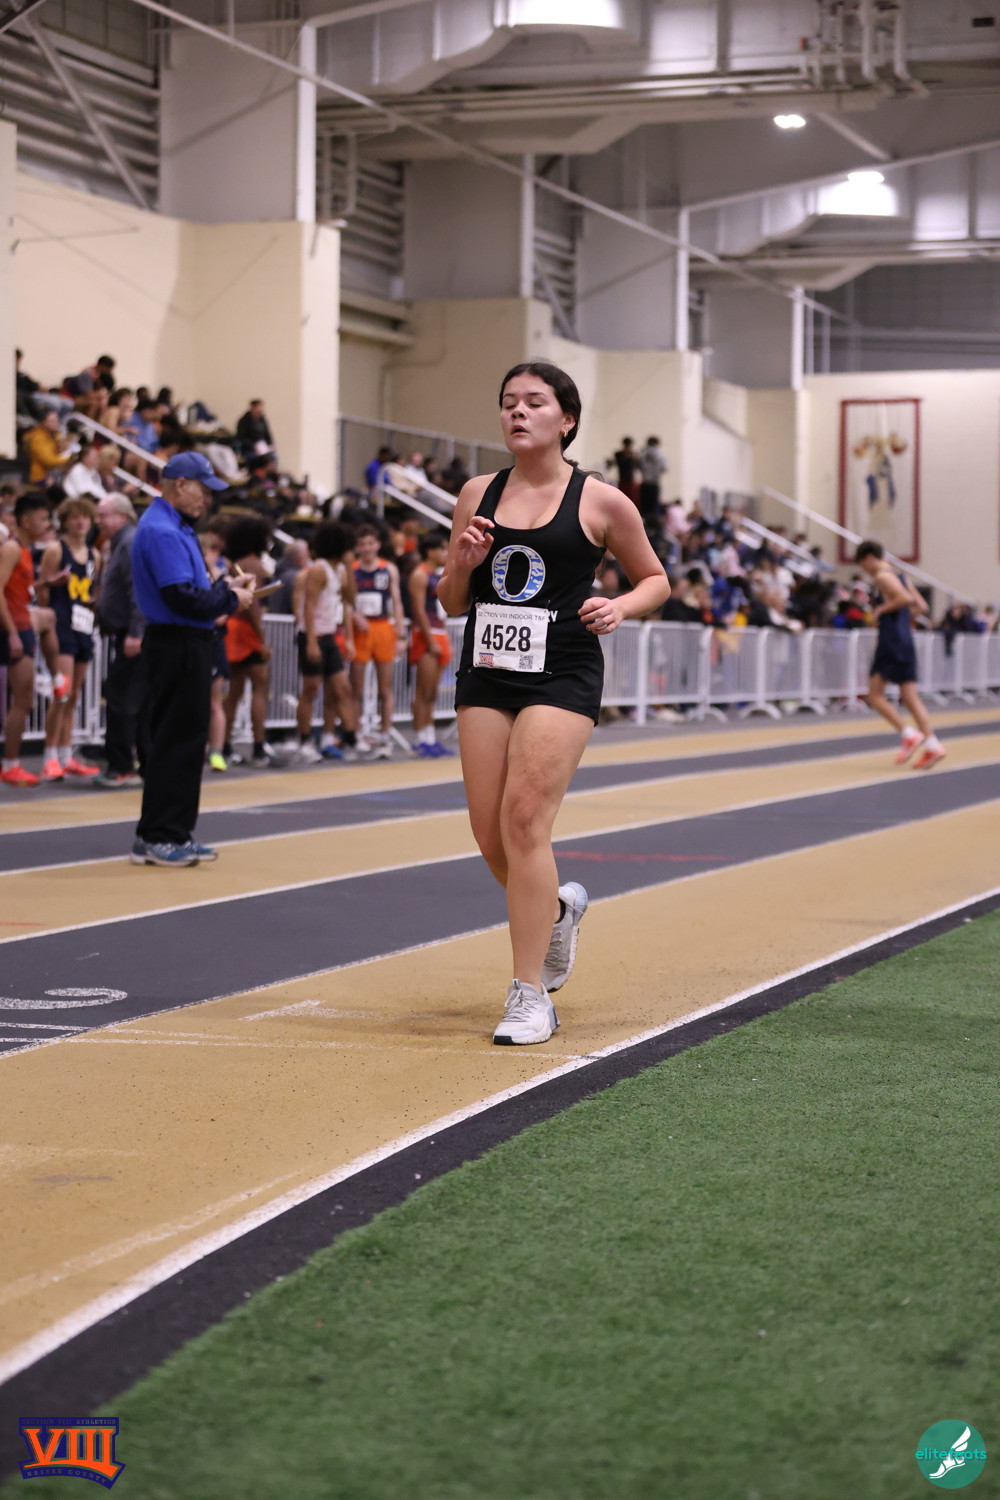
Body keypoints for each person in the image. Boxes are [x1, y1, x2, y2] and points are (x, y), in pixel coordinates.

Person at [438, 361, 670, 1045]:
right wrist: (463, 563)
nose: (518, 411)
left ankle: (530, 994)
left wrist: (620, 605)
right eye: (508, 401)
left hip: (561, 671)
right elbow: (451, 601)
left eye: (534, 402)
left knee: (524, 820)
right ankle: (559, 915)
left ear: (566, 420)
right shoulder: (477, 493)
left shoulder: (602, 501)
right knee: (490, 835)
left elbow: (655, 579)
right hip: (487, 669)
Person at [130, 451, 255, 866]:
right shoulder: (164, 530)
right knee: (177, 740)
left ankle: (172, 831)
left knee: (183, 739)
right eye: (203, 489)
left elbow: (189, 592)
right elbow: (181, 598)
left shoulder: (172, 526)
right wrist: (230, 599)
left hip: (183, 641)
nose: (208, 499)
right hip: (178, 642)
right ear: (180, 485)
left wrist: (225, 588)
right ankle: (161, 835)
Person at [855, 540, 944, 770]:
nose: (865, 570)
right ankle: (932, 744)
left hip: (891, 640)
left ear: (869, 558)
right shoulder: (900, 576)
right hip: (905, 639)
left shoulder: (882, 576)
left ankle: (908, 733)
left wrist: (881, 610)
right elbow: (920, 606)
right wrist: (902, 616)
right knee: (910, 696)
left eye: (863, 564)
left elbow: (903, 599)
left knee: (874, 695)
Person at [37, 496, 102, 782]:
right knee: (61, 692)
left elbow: (92, 590)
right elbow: (40, 588)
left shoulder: (94, 555)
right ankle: (49, 756)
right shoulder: (55, 550)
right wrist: (49, 620)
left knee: (74, 694)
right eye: (75, 516)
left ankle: (66, 754)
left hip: (83, 624)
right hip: (61, 623)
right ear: (65, 521)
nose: (80, 521)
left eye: (85, 516)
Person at [292, 522, 357, 763]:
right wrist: (310, 641)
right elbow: (308, 605)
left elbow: (350, 598)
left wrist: (349, 568)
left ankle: (351, 739)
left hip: (329, 634)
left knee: (342, 688)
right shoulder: (318, 570)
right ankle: (304, 741)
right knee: (310, 689)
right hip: (314, 635)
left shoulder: (339, 569)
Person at [0, 493, 53, 787]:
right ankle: (10, 764)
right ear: (25, 519)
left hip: (19, 624)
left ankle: (11, 763)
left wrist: (46, 583)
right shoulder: (11, 548)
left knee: (23, 698)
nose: (47, 524)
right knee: (22, 699)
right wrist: (11, 633)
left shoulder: (23, 550)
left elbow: (18, 589)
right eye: (43, 518)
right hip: (13, 627)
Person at [93, 493, 145, 789]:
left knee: (121, 700)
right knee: (126, 698)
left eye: (103, 515)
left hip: (131, 633)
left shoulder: (129, 542)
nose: (98, 521)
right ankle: (132, 763)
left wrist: (136, 632)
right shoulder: (120, 543)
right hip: (125, 631)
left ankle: (122, 766)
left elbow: (137, 589)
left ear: (121, 515)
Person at [222, 517, 274, 769]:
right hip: (246, 629)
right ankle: (258, 746)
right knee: (260, 687)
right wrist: (261, 639)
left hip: (232, 628)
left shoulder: (235, 563)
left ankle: (223, 746)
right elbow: (253, 604)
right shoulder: (254, 564)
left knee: (234, 691)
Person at [351, 523, 405, 759]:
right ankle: (356, 734)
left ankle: (384, 735)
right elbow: (345, 600)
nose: (367, 548)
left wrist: (401, 633)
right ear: (357, 547)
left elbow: (397, 601)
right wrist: (354, 615)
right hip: (360, 629)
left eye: (370, 543)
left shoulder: (388, 569)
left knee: (385, 687)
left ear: (378, 545)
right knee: (356, 687)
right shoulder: (351, 570)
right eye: (362, 544)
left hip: (383, 627)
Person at [408, 530, 454, 758]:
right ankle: (420, 738)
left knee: (432, 692)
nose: (446, 553)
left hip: (439, 632)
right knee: (423, 691)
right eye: (442, 549)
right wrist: (429, 639)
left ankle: (430, 736)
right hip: (426, 635)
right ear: (430, 551)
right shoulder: (420, 575)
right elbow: (418, 610)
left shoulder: (436, 575)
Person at [199, 522, 232, 773]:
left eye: (206, 552)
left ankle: (217, 751)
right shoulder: (194, 580)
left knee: (214, 701)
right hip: (196, 641)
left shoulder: (223, 580)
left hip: (214, 643)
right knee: (192, 701)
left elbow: (220, 616)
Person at [25, 410, 72, 485]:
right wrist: (67, 457)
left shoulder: (54, 434)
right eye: (52, 421)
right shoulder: (37, 438)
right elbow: (48, 461)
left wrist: (62, 446)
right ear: (44, 422)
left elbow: (63, 448)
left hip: (53, 473)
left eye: (57, 421)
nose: (56, 424)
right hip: (39, 476)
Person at [637, 435, 667, 520]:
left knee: (643, 510)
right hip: (654, 483)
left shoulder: (642, 454)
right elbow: (665, 468)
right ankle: (653, 525)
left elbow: (638, 465)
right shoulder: (661, 455)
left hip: (645, 484)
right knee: (653, 509)